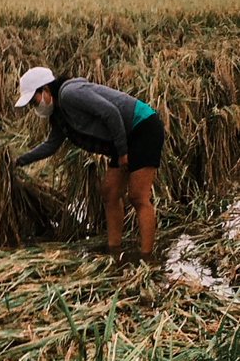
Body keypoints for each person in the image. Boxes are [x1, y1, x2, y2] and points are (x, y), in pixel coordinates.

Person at [14, 66, 165, 259]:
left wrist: (122, 152)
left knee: (138, 196)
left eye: (33, 101)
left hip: (142, 127)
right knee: (110, 194)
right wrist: (19, 161)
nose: (34, 107)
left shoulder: (70, 93)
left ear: (45, 90)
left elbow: (110, 113)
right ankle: (114, 251)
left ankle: (147, 257)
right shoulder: (59, 115)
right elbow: (51, 145)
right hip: (123, 139)